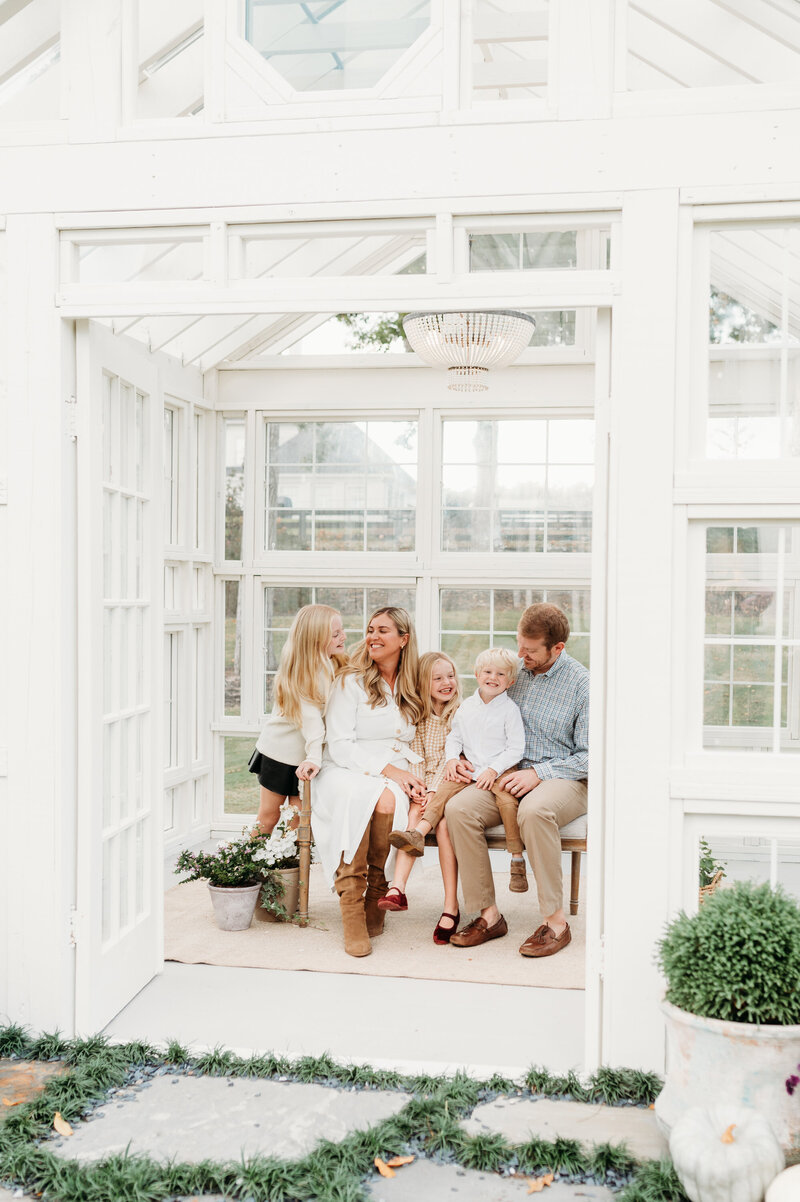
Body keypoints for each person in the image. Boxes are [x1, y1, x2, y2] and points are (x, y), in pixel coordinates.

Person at [446, 603, 589, 958]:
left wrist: (538, 773)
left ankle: (556, 922)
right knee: (459, 809)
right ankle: (489, 915)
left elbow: (591, 756)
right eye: (519, 645)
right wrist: (463, 757)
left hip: (563, 778)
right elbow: (480, 720)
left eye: (530, 650)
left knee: (535, 812)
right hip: (505, 776)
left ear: (558, 648)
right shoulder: (514, 672)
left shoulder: (583, 686)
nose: (521, 655)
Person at [310, 606, 425, 957]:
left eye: (383, 631)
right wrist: (390, 771)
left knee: (388, 801)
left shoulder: (413, 683)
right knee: (364, 798)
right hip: (345, 767)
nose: (372, 636)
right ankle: (351, 909)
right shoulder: (351, 681)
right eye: (370, 629)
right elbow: (341, 746)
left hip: (398, 768)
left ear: (403, 640)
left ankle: (377, 891)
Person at [389, 647, 528, 893]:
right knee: (441, 793)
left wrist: (494, 770)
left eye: (500, 674)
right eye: (487, 671)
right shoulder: (468, 707)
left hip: (500, 769)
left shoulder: (509, 710)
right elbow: (455, 738)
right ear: (476, 674)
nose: (493, 678)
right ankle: (418, 833)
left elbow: (516, 748)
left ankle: (516, 858)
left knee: (508, 802)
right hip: (470, 770)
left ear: (511, 681)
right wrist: (452, 759)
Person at [378, 651, 463, 944]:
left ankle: (450, 906)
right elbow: (417, 758)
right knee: (414, 813)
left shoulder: (461, 714)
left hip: (454, 785)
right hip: (428, 787)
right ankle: (397, 889)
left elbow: (454, 759)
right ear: (423, 684)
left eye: (450, 676)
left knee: (442, 826)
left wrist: (435, 790)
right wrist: (418, 788)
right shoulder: (420, 718)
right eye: (437, 678)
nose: (446, 682)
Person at [248, 604, 347, 834]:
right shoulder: (305, 674)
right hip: (280, 754)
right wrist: (315, 758)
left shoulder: (332, 662)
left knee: (300, 821)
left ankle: (292, 870)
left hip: (303, 758)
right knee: (268, 816)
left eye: (342, 630)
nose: (343, 636)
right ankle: (247, 867)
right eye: (335, 634)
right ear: (316, 639)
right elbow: (312, 722)